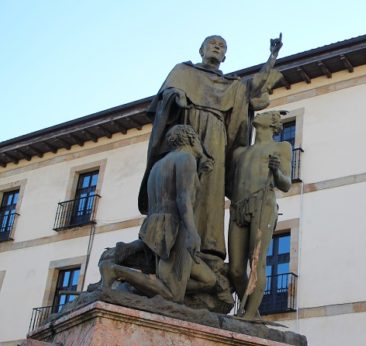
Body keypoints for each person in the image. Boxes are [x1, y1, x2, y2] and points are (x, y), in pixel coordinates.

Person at [139, 34, 283, 266]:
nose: (216, 47)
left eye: (221, 46)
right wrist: (175, 95)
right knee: (183, 184)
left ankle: (207, 244)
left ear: (225, 56)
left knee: (210, 188)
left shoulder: (232, 85)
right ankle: (176, 238)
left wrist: (272, 56)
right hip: (188, 127)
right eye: (212, 44)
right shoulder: (184, 72)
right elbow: (164, 97)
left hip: (216, 134)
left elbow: (256, 85)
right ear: (201, 49)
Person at [101, 125, 217, 302]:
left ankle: (142, 282)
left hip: (154, 224)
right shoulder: (186, 159)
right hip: (175, 227)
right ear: (193, 140)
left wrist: (199, 172)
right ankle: (117, 271)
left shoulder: (158, 165)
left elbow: (170, 192)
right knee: (172, 294)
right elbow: (182, 198)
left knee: (209, 280)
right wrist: (192, 233)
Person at [228, 111, 292, 319]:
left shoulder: (281, 148)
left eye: (267, 114)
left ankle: (248, 316)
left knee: (257, 261)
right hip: (238, 207)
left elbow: (286, 184)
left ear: (273, 124)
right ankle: (252, 312)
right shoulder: (240, 153)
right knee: (236, 269)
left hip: (262, 203)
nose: (260, 115)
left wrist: (275, 172)